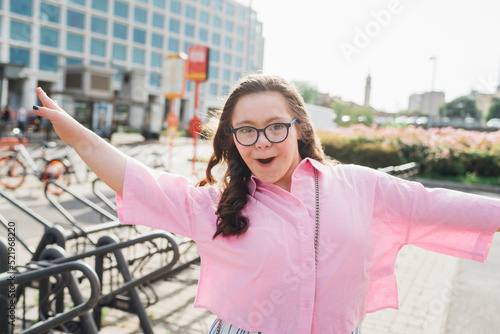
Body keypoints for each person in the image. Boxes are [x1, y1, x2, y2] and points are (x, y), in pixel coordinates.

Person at [32, 75, 500, 334]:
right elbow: (139, 179)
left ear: (298, 128)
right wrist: (78, 137)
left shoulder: (361, 187)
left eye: (275, 126)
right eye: (246, 130)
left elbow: (435, 205)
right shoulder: (217, 206)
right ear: (234, 140)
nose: (262, 141)